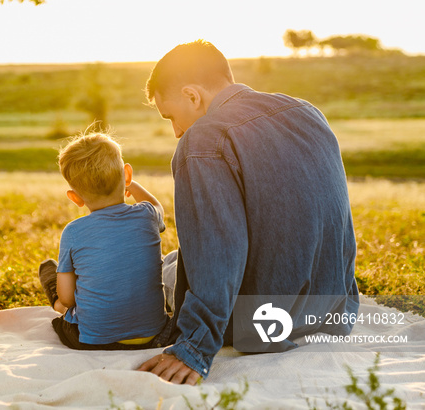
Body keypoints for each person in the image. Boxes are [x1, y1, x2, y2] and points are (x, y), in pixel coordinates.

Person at [137, 40, 360, 385]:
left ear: (192, 95)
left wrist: (195, 347)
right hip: (331, 311)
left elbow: (217, 252)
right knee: (175, 262)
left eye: (171, 116)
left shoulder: (202, 142)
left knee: (165, 272)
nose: (177, 130)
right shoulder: (307, 112)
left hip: (261, 322)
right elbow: (339, 222)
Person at [38, 131, 170, 350]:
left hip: (93, 340)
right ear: (127, 175)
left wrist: (64, 302)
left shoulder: (73, 232)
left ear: (75, 197)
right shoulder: (147, 215)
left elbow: (69, 298)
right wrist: (131, 184)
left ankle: (56, 306)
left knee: (48, 269)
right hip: (154, 334)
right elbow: (157, 207)